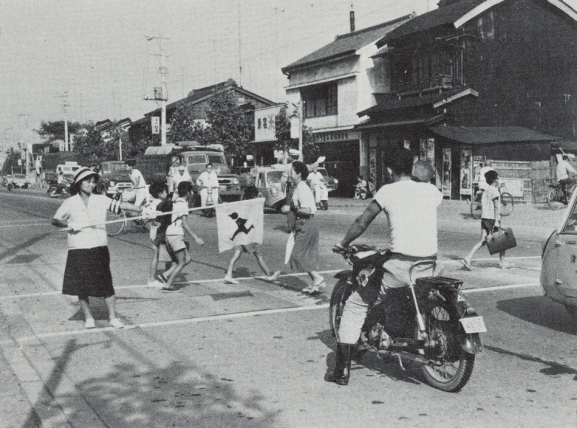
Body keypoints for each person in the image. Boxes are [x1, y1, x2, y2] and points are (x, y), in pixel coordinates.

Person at [330, 148, 442, 385]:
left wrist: (343, 243)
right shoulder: (432, 191)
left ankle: (341, 370)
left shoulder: (387, 191)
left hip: (401, 267)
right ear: (411, 166)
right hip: (429, 266)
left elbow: (362, 222)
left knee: (356, 304)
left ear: (389, 169)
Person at [52, 167, 147, 329]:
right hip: (78, 247)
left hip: (98, 246)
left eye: (94, 181)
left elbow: (120, 205)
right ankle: (88, 317)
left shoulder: (101, 199)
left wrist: (142, 209)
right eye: (87, 181)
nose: (91, 184)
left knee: (106, 283)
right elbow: (56, 220)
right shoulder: (69, 202)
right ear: (78, 183)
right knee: (81, 285)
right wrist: (71, 224)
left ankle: (113, 317)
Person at [280, 161, 325, 293]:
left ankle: (318, 278)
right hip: (304, 224)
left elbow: (307, 210)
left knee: (297, 255)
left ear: (299, 174)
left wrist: (291, 208)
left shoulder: (302, 188)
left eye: (291, 172)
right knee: (305, 255)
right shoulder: (298, 187)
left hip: (307, 224)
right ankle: (316, 281)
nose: (289, 174)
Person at [224, 186, 281, 284]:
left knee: (237, 254)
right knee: (258, 255)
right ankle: (268, 275)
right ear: (254, 195)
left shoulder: (244, 203)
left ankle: (228, 275)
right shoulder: (252, 205)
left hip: (242, 234)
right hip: (249, 235)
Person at [462, 170, 510, 270]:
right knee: (503, 239)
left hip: (484, 218)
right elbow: (497, 207)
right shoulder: (495, 191)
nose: (498, 180)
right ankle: (502, 262)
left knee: (483, 241)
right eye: (497, 178)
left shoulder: (486, 190)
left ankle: (468, 257)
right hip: (492, 218)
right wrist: (497, 221)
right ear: (495, 180)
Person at [162, 181, 204, 292]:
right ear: (189, 193)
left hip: (171, 234)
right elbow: (184, 224)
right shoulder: (183, 205)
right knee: (181, 262)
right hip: (175, 235)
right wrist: (196, 237)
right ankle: (167, 285)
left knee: (187, 259)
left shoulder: (175, 201)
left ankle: (166, 275)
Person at [146, 182, 179, 288]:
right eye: (165, 191)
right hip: (159, 232)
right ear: (160, 194)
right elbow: (155, 221)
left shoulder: (152, 202)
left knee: (160, 255)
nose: (167, 193)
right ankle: (156, 279)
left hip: (155, 231)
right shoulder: (161, 204)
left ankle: (159, 278)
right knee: (166, 255)